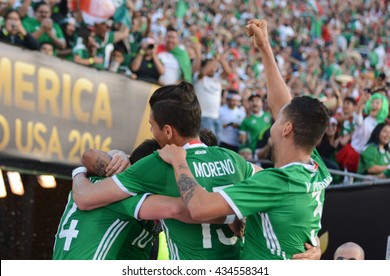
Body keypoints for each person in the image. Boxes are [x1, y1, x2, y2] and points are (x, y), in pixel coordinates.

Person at [71, 81, 320, 260]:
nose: (151, 132)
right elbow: (286, 189)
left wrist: (78, 172)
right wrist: (311, 246)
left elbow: (85, 198)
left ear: (168, 131)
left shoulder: (158, 164)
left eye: (152, 126)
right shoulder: (232, 159)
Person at [157, 19, 331, 260]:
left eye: (278, 119)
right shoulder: (315, 168)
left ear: (287, 128)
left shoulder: (274, 183)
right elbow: (282, 104)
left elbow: (199, 208)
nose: (273, 119)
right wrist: (265, 47)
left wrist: (178, 160)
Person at [53, 144, 186, 260]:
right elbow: (175, 208)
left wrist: (79, 172)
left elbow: (89, 156)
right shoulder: (124, 197)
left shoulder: (92, 184)